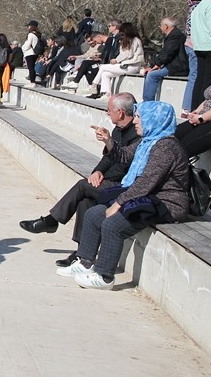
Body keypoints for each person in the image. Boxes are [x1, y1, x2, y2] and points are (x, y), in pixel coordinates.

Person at [59, 101, 190, 289]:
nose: (135, 121)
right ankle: (85, 262)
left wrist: (119, 203)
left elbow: (147, 182)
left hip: (166, 203)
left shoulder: (166, 147)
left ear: (154, 120)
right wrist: (108, 141)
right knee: (94, 214)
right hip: (147, 197)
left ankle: (105, 277)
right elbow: (124, 156)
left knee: (113, 224)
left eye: (139, 117)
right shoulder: (148, 142)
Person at [20, 93, 141, 267]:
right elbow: (109, 158)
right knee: (85, 201)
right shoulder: (117, 130)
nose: (107, 113)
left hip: (124, 186)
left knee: (83, 186)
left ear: (120, 112)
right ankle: (83, 254)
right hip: (111, 180)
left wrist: (103, 172)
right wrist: (97, 171)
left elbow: (124, 165)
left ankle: (51, 221)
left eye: (109, 110)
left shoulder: (137, 135)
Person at [89, 21, 144, 99]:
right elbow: (124, 53)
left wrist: (116, 60)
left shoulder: (134, 40)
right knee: (105, 74)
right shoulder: (126, 40)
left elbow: (128, 54)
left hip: (132, 66)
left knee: (103, 67)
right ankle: (107, 94)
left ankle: (94, 84)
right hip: (125, 65)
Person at [142, 17, 188, 101]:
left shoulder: (175, 36)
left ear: (166, 26)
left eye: (161, 25)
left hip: (177, 66)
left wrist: (155, 65)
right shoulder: (174, 35)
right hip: (171, 64)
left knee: (151, 75)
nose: (160, 28)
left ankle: (147, 102)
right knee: (151, 73)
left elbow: (168, 52)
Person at [182, 0, 209, 111]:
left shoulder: (192, 7)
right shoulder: (199, 8)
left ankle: (188, 107)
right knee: (195, 76)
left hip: (190, 44)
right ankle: (188, 107)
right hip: (194, 45)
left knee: (194, 76)